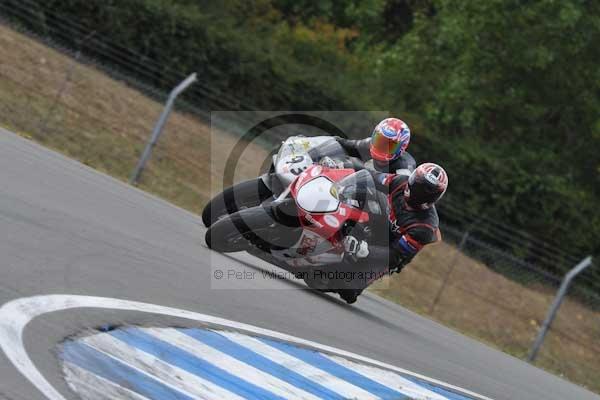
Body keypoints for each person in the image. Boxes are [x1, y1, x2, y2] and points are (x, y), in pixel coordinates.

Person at [337, 163, 448, 303]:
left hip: (388, 252)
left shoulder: (425, 227)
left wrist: (364, 250)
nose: (414, 186)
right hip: (378, 225)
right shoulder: (400, 182)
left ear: (431, 196)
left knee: (348, 290)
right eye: (415, 181)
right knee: (363, 191)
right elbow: (371, 176)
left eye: (421, 188)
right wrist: (342, 166)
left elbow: (395, 255)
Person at [335, 117, 416, 176]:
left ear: (401, 148)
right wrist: (331, 140)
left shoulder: (403, 170)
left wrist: (356, 168)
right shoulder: (367, 144)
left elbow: (394, 189)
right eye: (379, 140)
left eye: (389, 146)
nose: (381, 147)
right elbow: (344, 143)